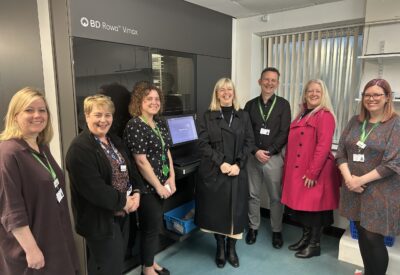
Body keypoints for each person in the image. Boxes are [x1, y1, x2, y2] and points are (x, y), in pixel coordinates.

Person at [0, 87, 79, 275]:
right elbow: (11, 210)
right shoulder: (8, 153)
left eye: (42, 110)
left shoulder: (41, 147)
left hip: (55, 236)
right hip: (31, 248)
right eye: (29, 110)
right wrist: (32, 250)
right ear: (15, 115)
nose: (37, 115)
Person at [66, 94, 143, 275]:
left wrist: (137, 192)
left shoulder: (114, 140)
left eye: (108, 115)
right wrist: (125, 201)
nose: (103, 120)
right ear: (86, 116)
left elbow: (131, 169)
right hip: (100, 221)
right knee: (110, 267)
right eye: (98, 115)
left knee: (111, 264)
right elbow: (95, 190)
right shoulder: (79, 149)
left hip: (123, 214)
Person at [336, 79, 400, 275]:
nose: (371, 99)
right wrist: (349, 179)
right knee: (361, 235)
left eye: (377, 95)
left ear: (388, 97)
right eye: (367, 95)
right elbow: (341, 153)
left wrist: (358, 181)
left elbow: (393, 163)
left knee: (374, 238)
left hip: (380, 192)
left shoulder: (395, 124)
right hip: (353, 189)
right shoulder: (355, 121)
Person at [195, 78, 254, 268]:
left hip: (237, 171)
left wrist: (238, 164)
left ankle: (231, 249)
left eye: (229, 89)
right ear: (217, 93)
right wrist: (221, 162)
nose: (226, 92)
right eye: (222, 90)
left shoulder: (243, 116)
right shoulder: (207, 116)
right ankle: (220, 247)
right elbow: (202, 144)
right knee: (217, 212)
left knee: (236, 213)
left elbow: (249, 142)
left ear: (234, 93)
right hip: (215, 171)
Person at [281, 79, 340, 258]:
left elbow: (323, 146)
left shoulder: (325, 115)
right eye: (310, 91)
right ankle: (305, 239)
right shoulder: (302, 114)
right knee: (304, 209)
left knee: (315, 210)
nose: (313, 94)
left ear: (323, 95)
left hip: (316, 171)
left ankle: (314, 245)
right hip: (299, 170)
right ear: (305, 94)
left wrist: (313, 172)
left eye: (318, 91)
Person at [124, 85, 175, 275]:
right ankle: (147, 270)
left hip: (162, 182)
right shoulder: (135, 125)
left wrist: (172, 177)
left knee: (154, 227)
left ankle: (150, 262)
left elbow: (166, 150)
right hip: (146, 187)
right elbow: (141, 161)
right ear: (139, 103)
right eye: (148, 99)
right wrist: (159, 186)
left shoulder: (159, 123)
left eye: (156, 99)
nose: (154, 102)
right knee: (150, 229)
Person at [244, 67, 291, 248]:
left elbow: (284, 132)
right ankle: (253, 227)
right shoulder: (250, 105)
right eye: (266, 79)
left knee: (276, 198)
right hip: (253, 158)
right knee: (252, 195)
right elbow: (247, 132)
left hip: (274, 158)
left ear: (277, 84)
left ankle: (277, 231)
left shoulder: (283, 105)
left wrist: (269, 151)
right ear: (260, 81)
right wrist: (255, 151)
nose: (269, 83)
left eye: (273, 80)